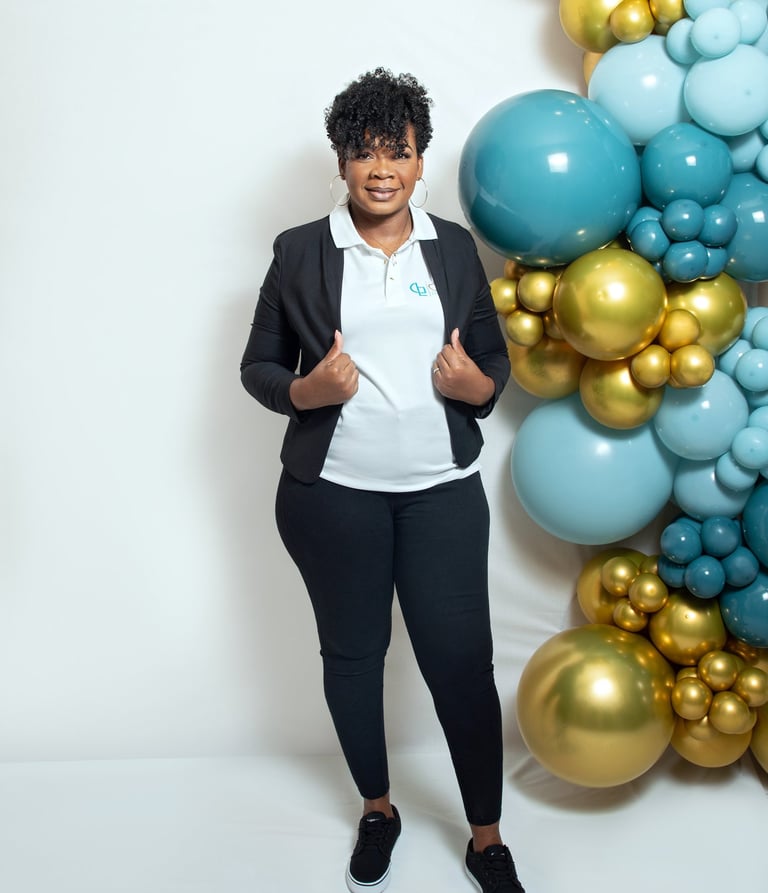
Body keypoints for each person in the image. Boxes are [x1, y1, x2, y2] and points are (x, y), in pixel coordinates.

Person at [240, 68, 525, 893]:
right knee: (354, 656)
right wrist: (306, 391)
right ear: (341, 162)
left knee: (461, 662)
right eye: (364, 152)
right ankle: (378, 808)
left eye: (397, 151)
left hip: (442, 491)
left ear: (420, 158)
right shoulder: (300, 251)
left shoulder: (455, 248)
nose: (381, 169)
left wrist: (476, 386)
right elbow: (258, 365)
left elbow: (491, 358)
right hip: (332, 498)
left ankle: (486, 837)